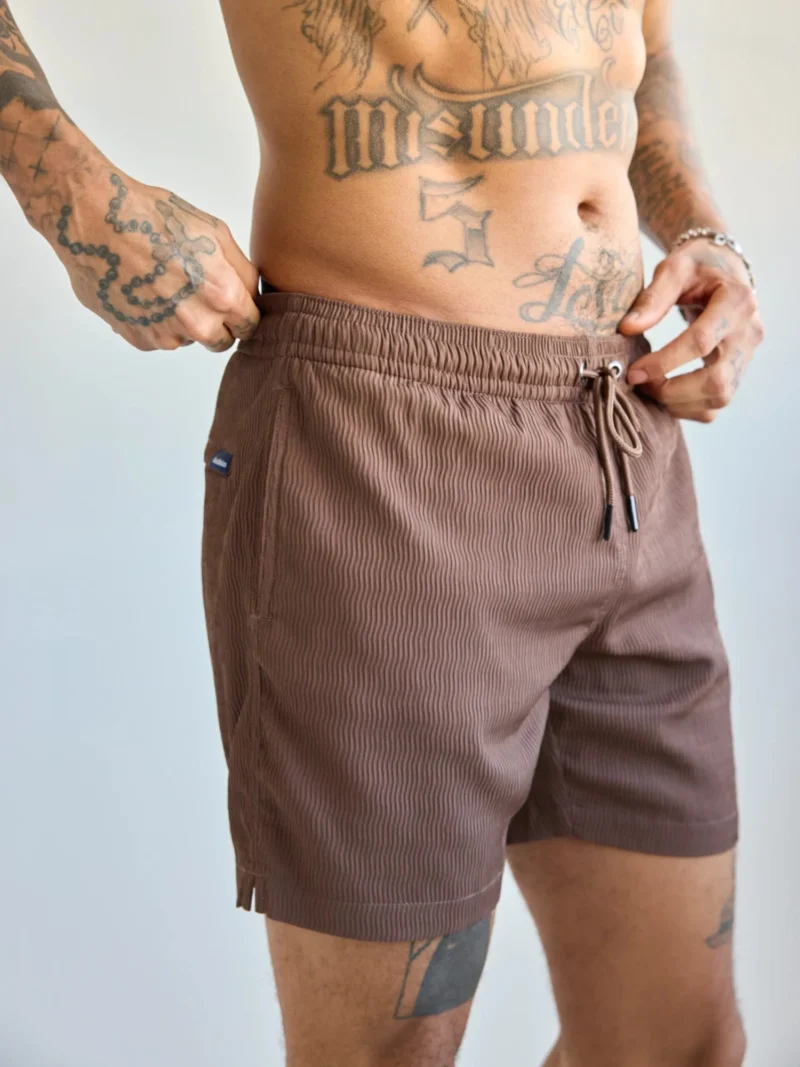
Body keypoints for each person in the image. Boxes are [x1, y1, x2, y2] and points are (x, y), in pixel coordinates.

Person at [1, 0, 764, 1063]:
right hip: (382, 437)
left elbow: (647, 37)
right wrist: (70, 190)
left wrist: (702, 231)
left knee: (678, 1046)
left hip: (624, 430)